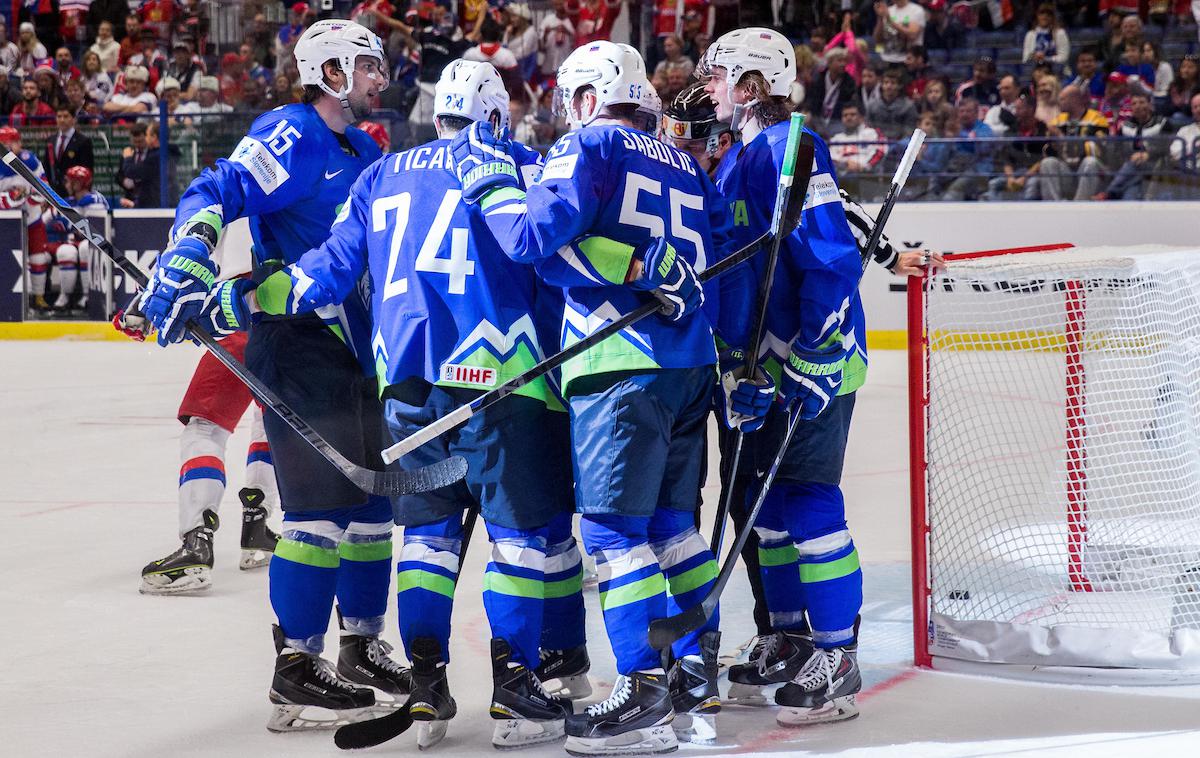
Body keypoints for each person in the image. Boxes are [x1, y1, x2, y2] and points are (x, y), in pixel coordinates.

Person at [234, 57, 589, 751]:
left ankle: (427, 682)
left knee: (425, 541)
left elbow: (323, 276)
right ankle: (517, 691)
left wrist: (245, 294)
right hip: (502, 378)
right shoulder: (517, 162)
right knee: (518, 538)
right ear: (492, 114)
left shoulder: (378, 175)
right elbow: (557, 258)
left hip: (406, 390)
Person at [454, 39, 733, 754]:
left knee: (613, 535)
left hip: (619, 362)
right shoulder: (680, 158)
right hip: (689, 363)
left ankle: (641, 693)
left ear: (585, 97)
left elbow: (530, 240)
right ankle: (699, 664)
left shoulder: (590, 145)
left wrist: (489, 182)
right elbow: (717, 257)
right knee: (675, 524)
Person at [134, 19, 406, 732]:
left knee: (374, 510)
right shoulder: (293, 131)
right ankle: (295, 668)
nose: (381, 79)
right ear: (335, 71)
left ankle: (361, 647)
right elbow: (215, 187)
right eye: (370, 67)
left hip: (356, 351)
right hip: (299, 348)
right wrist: (194, 244)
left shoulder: (360, 148)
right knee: (317, 516)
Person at [701, 25, 867, 729]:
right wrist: (743, 370)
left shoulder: (792, 144)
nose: (708, 88)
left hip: (811, 360)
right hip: (762, 371)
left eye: (718, 76)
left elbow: (829, 257)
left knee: (805, 502)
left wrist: (816, 354)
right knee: (762, 513)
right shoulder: (737, 160)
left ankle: (839, 656)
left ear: (750, 85)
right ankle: (791, 637)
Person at [0, 125, 52, 311]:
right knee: (12, 259)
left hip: (32, 217)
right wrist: (10, 198)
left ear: (19, 143)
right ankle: (15, 300)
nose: (8, 147)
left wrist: (29, 194)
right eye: (4, 144)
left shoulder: (30, 161)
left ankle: (38, 297)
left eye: (11, 143)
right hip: (5, 222)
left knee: (38, 257)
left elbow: (44, 188)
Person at [1093, 91, 1173, 200]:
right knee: (1129, 197)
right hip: (1131, 172)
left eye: (1142, 102)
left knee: (1134, 164)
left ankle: (1109, 192)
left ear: (1150, 105)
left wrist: (1148, 154)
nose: (1138, 106)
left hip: (1155, 165)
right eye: (1134, 104)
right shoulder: (1125, 126)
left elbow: (1167, 145)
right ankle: (1116, 193)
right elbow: (1117, 150)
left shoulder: (1162, 123)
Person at [1037, 84, 1110, 201]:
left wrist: (1062, 138)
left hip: (1089, 173)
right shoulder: (1058, 121)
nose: (1059, 102)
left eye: (1062, 99)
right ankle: (1053, 206)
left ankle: (1080, 204)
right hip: (1066, 172)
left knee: (1090, 162)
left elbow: (1098, 150)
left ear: (1074, 100)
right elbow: (1046, 150)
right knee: (1048, 163)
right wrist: (1054, 145)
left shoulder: (1097, 119)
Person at [43, 105, 94, 197]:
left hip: (75, 193)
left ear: (74, 119)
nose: (62, 120)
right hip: (54, 193)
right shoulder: (51, 140)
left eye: (66, 116)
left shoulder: (83, 141)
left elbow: (87, 169)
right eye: (59, 116)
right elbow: (46, 167)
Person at [829, 101, 885, 175]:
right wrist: (845, 164)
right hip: (842, 178)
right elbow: (831, 159)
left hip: (867, 176)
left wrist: (864, 167)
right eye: (845, 115)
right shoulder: (835, 139)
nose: (848, 118)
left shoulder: (873, 133)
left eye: (853, 114)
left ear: (861, 117)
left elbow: (881, 152)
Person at [873, 0, 926, 65]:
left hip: (907, 60)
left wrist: (888, 18)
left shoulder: (917, 10)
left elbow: (912, 35)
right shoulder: (888, 10)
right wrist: (880, 18)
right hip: (885, 59)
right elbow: (877, 40)